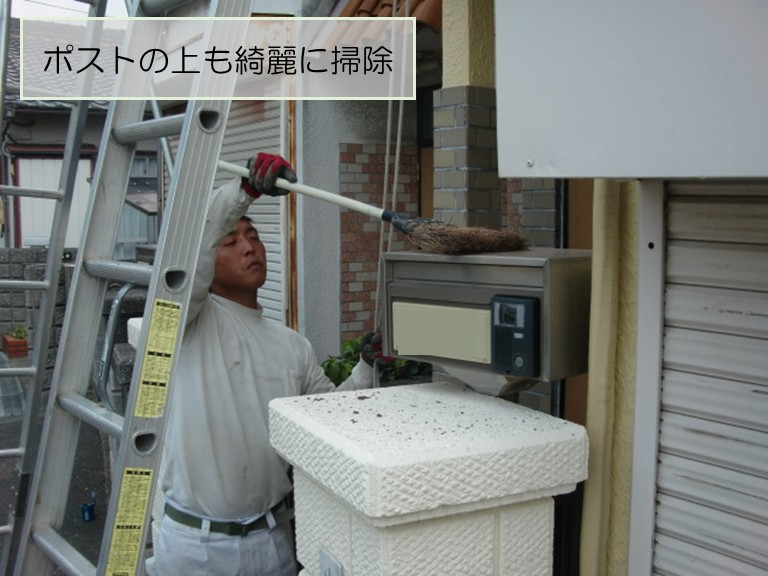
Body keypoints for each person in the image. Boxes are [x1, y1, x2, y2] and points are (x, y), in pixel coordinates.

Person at [146, 153, 381, 575]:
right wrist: (244, 191)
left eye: (252, 236)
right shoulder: (189, 323)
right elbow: (186, 256)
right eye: (231, 241)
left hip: (274, 540)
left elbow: (330, 418)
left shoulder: (292, 346)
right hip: (196, 548)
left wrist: (366, 366)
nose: (249, 247)